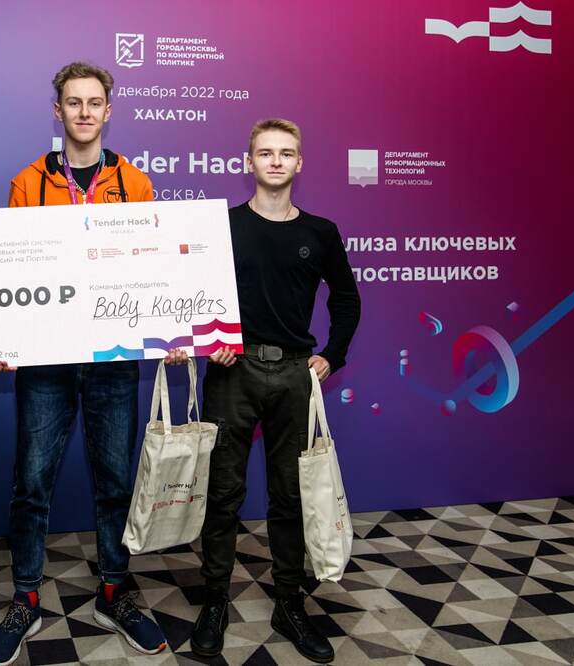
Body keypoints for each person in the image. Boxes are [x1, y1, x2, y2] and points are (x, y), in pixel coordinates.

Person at [0, 62, 172, 666]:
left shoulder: (135, 182)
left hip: (114, 358)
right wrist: (0, 339)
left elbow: (152, 269)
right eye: (73, 102)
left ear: (108, 111)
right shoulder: (27, 182)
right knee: (31, 483)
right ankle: (25, 598)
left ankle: (114, 591)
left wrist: (177, 324)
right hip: (46, 358)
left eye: (94, 103)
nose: (84, 112)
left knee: (115, 482)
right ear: (57, 110)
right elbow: (10, 270)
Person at [189, 118, 361, 663]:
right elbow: (194, 294)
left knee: (290, 496)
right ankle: (214, 600)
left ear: (299, 163)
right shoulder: (223, 226)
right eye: (266, 153)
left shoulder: (321, 232)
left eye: (286, 153)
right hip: (232, 374)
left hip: (293, 376)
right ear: (249, 162)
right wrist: (210, 341)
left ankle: (289, 602)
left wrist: (333, 354)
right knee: (223, 493)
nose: (276, 161)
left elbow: (347, 299)